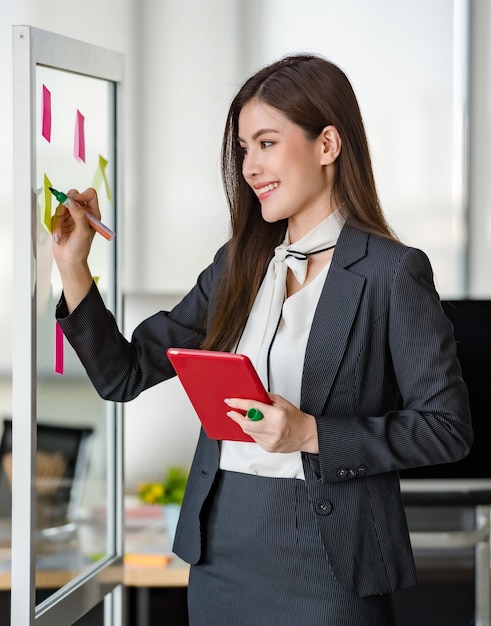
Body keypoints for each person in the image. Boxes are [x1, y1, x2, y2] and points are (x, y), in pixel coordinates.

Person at [52, 53, 473, 625]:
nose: (250, 166)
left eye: (267, 143)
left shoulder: (391, 273)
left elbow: (446, 429)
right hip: (222, 546)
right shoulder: (239, 264)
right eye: (244, 148)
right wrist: (73, 266)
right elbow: (122, 374)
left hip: (328, 557)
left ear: (328, 144)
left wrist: (311, 433)